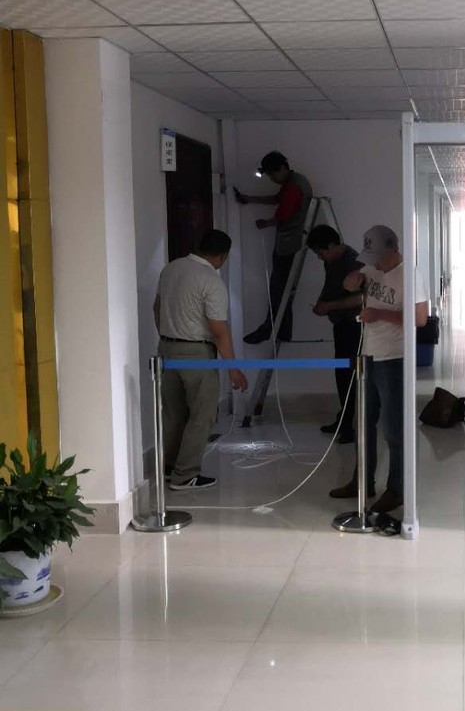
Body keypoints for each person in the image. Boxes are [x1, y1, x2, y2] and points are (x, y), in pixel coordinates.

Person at [329, 225, 429, 515]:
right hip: (368, 355)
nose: (375, 263)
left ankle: (396, 490)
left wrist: (379, 314)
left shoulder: (410, 274)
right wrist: (355, 278)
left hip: (394, 358)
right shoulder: (371, 269)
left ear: (393, 249)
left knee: (394, 429)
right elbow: (349, 285)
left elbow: (420, 319)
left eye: (379, 257)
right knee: (364, 422)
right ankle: (362, 481)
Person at [153, 229, 247, 491]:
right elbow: (219, 331)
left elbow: (156, 307)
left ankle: (170, 468)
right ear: (222, 256)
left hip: (166, 349)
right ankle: (185, 475)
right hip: (197, 354)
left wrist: (168, 336)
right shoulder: (211, 280)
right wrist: (233, 369)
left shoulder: (171, 269)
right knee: (202, 415)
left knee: (173, 413)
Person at [234, 151, 313, 344]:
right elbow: (277, 199)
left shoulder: (293, 186)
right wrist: (249, 198)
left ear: (282, 168)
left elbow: (283, 215)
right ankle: (282, 331)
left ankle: (270, 328)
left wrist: (266, 223)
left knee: (279, 289)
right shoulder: (294, 182)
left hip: (288, 245)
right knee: (283, 289)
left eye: (272, 174)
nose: (271, 179)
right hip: (291, 243)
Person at [307, 224, 363, 444]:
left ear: (332, 245)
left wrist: (329, 306)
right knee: (342, 375)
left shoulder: (353, 262)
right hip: (341, 325)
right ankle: (344, 420)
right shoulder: (332, 262)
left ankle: (350, 426)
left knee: (350, 376)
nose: (320, 257)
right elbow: (330, 285)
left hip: (354, 326)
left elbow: (361, 298)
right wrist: (322, 303)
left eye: (321, 252)